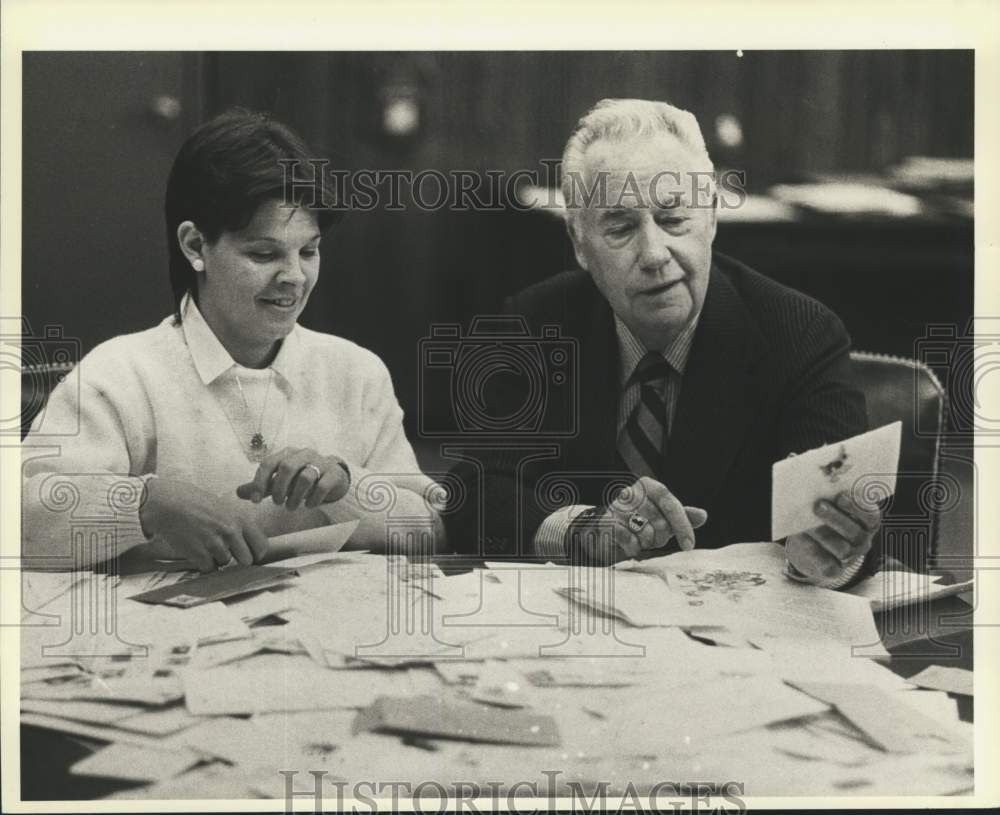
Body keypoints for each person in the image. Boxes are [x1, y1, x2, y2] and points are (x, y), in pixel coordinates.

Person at [444, 98, 880, 588]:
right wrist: (585, 530)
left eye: (673, 220)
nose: (653, 255)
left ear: (712, 218)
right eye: (621, 227)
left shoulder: (800, 333)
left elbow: (850, 519)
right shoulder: (532, 324)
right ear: (579, 243)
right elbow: (473, 493)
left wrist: (826, 549)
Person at [22, 109, 440, 572]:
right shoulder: (119, 375)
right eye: (264, 254)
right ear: (195, 246)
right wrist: (142, 503)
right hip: (170, 640)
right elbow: (22, 522)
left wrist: (347, 486)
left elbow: (428, 528)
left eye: (309, 250)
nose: (294, 278)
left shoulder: (356, 373)